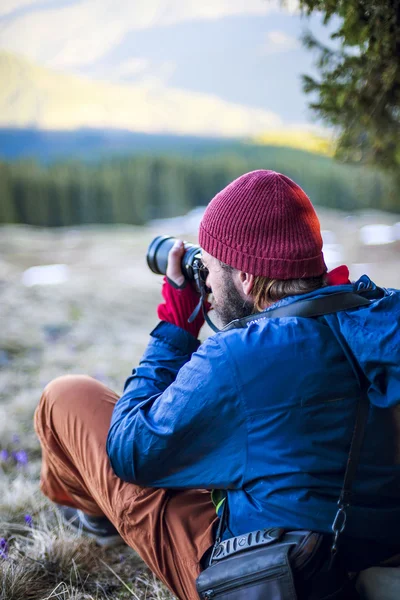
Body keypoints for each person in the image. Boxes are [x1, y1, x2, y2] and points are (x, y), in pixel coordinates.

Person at [34, 170, 400, 600]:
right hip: (375, 556)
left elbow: (129, 452)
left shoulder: (240, 355)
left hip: (276, 576)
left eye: (209, 264)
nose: (204, 279)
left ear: (246, 277)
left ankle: (99, 522)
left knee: (65, 396)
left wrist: (175, 329)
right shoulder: (380, 316)